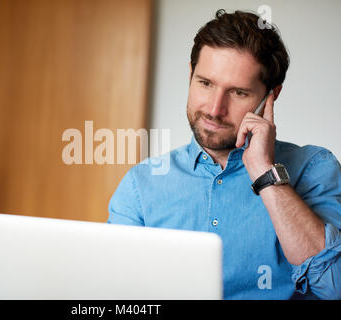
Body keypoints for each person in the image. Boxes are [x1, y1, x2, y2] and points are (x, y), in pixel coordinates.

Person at [107, 9, 340, 300]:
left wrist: (265, 173)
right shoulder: (140, 185)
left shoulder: (314, 169)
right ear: (190, 75)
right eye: (205, 83)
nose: (215, 109)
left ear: (271, 96)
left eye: (239, 92)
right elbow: (114, 293)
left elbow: (334, 287)